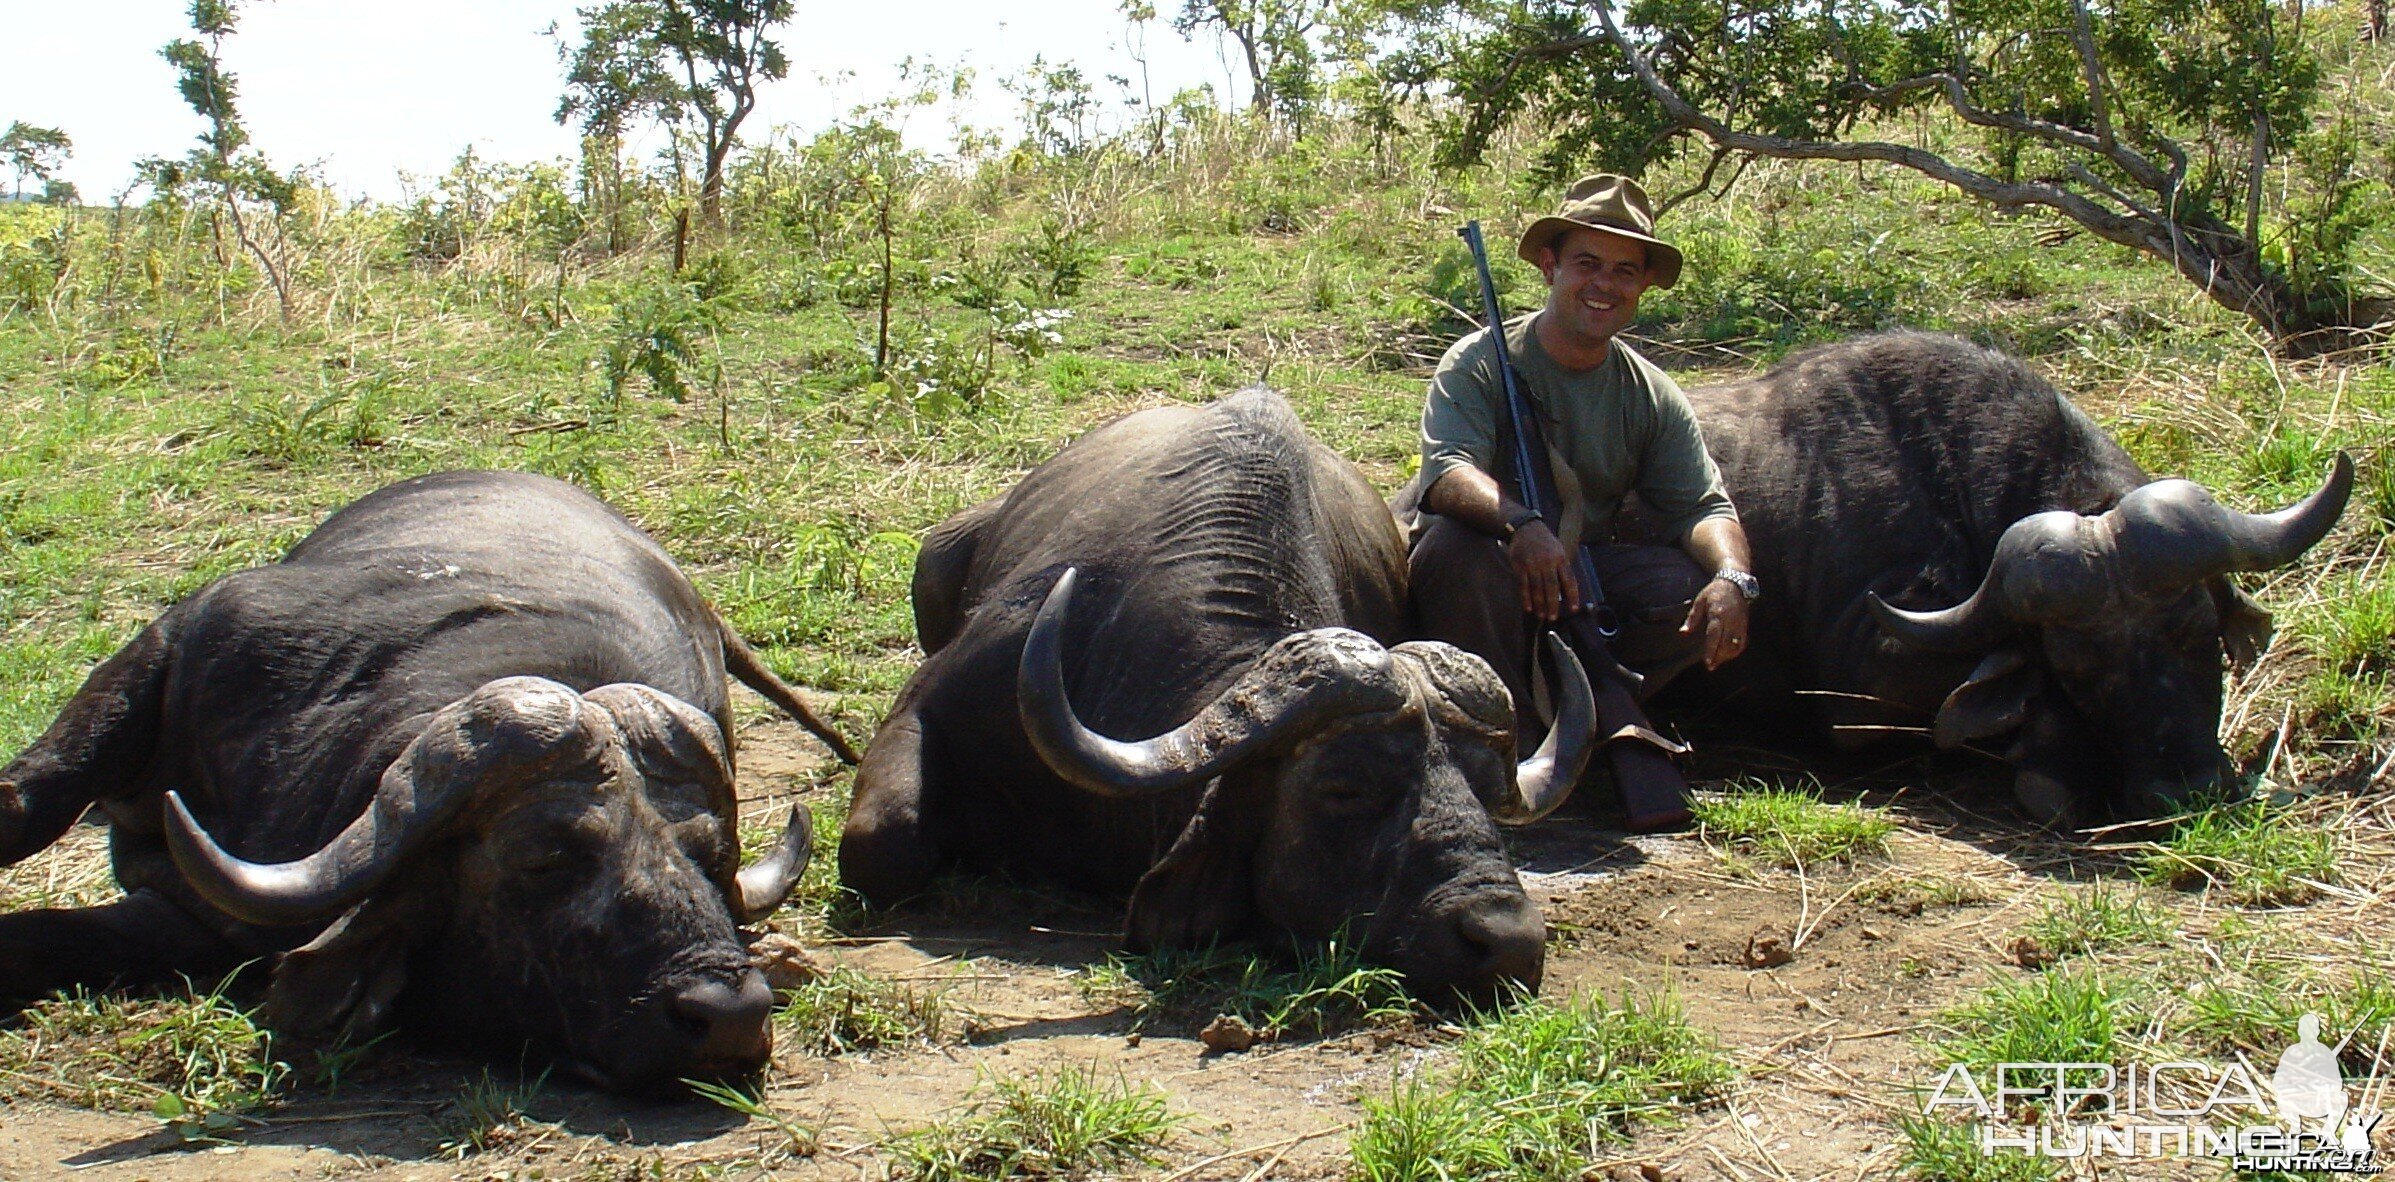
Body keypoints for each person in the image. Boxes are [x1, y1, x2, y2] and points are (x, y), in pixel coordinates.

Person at [1405, 173, 1758, 749]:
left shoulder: (1651, 392)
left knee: (1685, 588)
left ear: (1644, 283)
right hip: (1492, 563)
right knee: (1452, 553)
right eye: (1587, 264)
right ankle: (1496, 735)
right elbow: (1446, 473)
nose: (1604, 285)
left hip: (1581, 578)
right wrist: (1523, 525)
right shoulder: (1476, 361)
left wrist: (1732, 578)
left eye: (1624, 271)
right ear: (1550, 266)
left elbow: (1703, 506)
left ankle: (1592, 709)